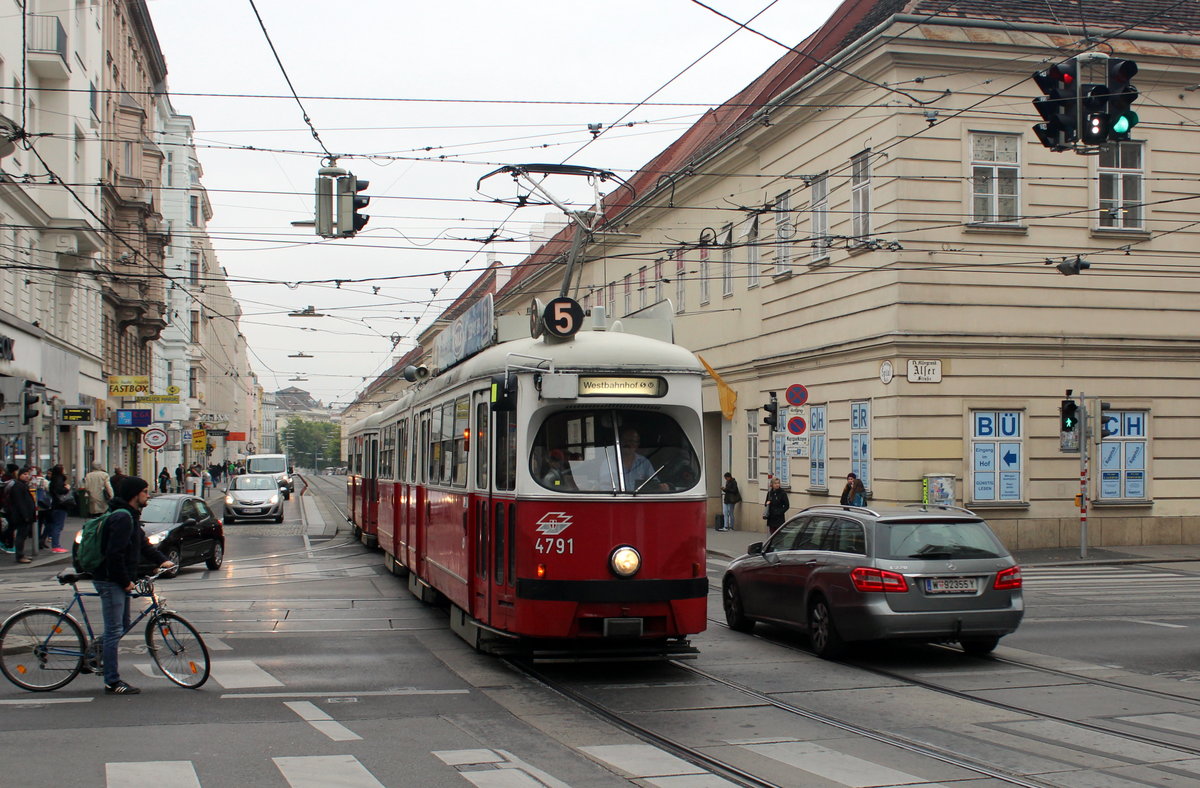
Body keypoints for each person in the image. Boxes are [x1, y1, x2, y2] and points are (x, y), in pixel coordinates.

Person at [91, 476, 174, 695]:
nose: (148, 495)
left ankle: (92, 654)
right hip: (110, 580)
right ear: (134, 494)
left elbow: (143, 544)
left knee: (123, 624)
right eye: (145, 491)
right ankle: (112, 681)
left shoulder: (129, 516)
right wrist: (125, 582)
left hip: (116, 579)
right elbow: (114, 554)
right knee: (113, 630)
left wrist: (162, 560)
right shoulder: (122, 518)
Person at [4, 467, 37, 563]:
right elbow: (20, 503)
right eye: (24, 474)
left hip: (24, 515)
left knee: (23, 536)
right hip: (21, 516)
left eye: (27, 474)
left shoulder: (22, 485)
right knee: (20, 536)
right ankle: (19, 556)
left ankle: (21, 554)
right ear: (19, 475)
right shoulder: (18, 486)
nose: (27, 476)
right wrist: (26, 516)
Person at [619, 427, 665, 491]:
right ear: (620, 442)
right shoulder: (610, 462)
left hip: (640, 499)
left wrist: (662, 487)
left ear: (637, 444)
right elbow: (605, 487)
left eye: (632, 441)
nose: (628, 444)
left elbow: (654, 484)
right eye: (625, 440)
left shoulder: (644, 462)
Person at [45, 465, 71, 553]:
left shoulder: (53, 480)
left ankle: (54, 544)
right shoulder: (59, 480)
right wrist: (66, 488)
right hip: (60, 505)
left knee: (55, 525)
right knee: (58, 526)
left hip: (56, 505)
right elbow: (60, 491)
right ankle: (56, 546)